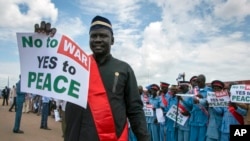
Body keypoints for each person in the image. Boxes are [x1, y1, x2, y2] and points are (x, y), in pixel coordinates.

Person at [34, 15, 150, 141]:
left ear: (112, 40)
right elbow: (48, 67)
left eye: (103, 36)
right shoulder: (75, 65)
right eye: (93, 36)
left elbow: (135, 110)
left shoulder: (124, 69)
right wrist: (44, 44)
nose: (98, 40)